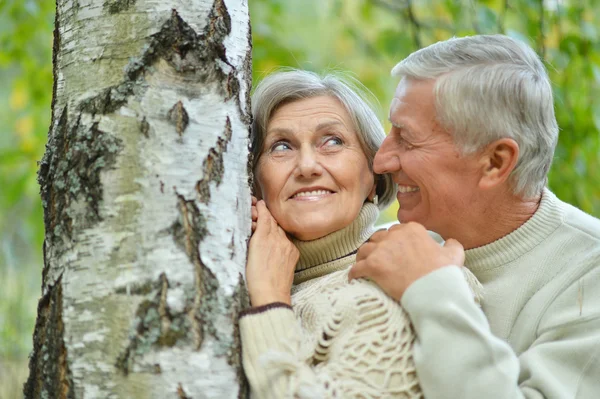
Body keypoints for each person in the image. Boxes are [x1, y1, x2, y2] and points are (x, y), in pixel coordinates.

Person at [349, 34, 600, 398]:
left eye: (407, 138)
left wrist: (433, 290)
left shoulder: (589, 276)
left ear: (495, 162)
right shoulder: (401, 244)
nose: (381, 161)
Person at [239, 69, 482, 398]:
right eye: (281, 147)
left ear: (373, 175)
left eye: (333, 142)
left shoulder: (408, 282)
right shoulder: (238, 277)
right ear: (253, 181)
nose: (307, 166)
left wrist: (269, 302)